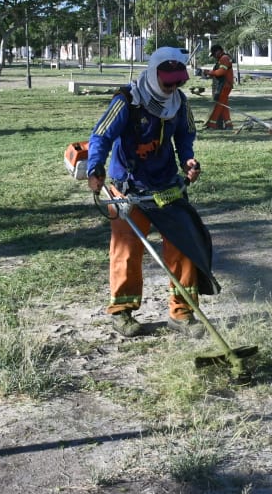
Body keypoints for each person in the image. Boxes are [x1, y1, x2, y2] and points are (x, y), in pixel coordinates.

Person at [86, 47, 208, 338]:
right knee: (127, 250)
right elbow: (101, 135)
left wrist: (188, 160)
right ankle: (122, 311)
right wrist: (95, 169)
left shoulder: (180, 103)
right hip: (128, 189)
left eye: (179, 81)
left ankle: (182, 312)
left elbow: (185, 136)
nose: (173, 86)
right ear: (153, 74)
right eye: (168, 81)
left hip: (167, 186)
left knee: (184, 246)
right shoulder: (127, 100)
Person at [203, 44, 234, 130]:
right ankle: (229, 124)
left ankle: (212, 125)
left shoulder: (224, 58)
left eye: (214, 54)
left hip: (225, 85)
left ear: (218, 51)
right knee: (223, 105)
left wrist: (209, 72)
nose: (213, 57)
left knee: (218, 105)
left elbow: (221, 72)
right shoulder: (222, 59)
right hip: (224, 85)